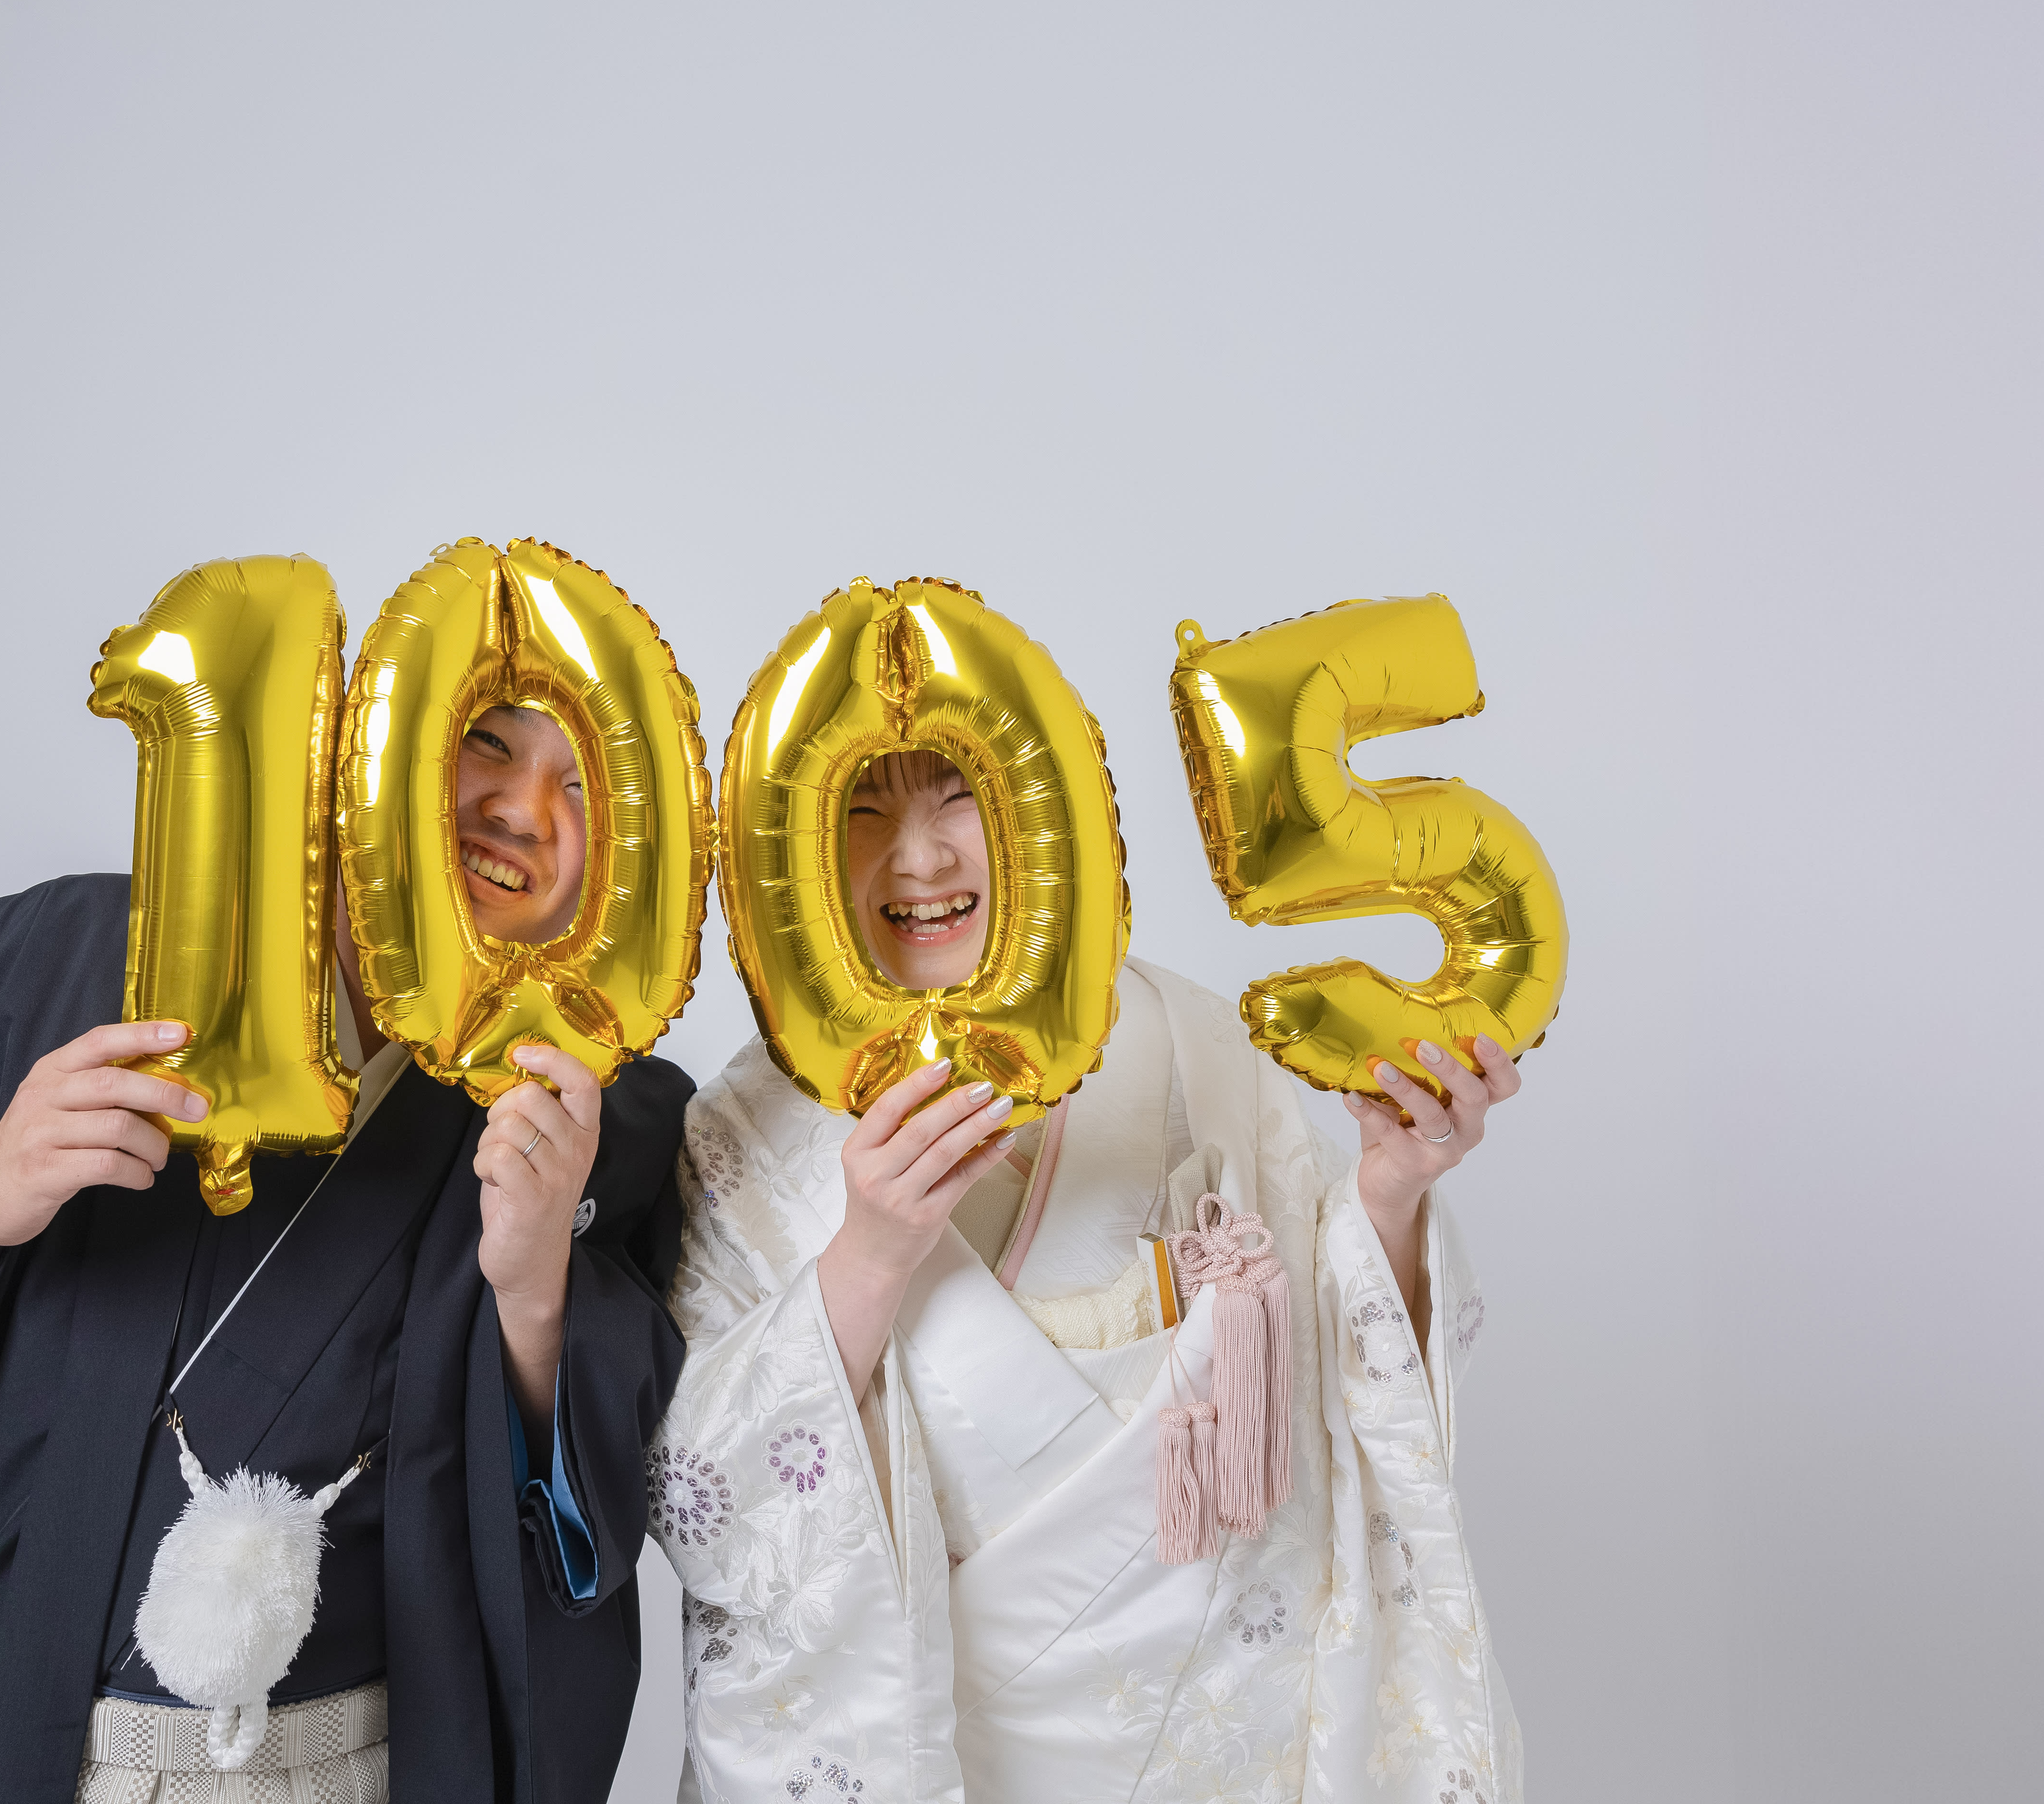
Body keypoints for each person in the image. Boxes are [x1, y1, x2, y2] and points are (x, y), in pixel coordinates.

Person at [0, 703, 690, 1804]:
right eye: (488, 744)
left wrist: (536, 1288)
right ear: (383, 740)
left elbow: (583, 1522)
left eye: (585, 786)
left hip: (335, 1773)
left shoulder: (593, 1116)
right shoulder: (84, 958)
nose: (525, 811)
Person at [651, 750, 1525, 1802]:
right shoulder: (745, 1131)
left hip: (1227, 1733)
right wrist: (869, 1254)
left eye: (959, 798)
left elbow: (1342, 1362)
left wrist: (1391, 1189)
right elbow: (703, 1491)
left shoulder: (1195, 1040)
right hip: (945, 1742)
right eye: (862, 812)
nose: (918, 858)